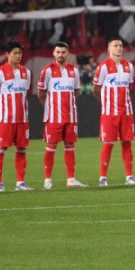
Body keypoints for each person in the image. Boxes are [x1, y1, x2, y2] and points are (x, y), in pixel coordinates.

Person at [37, 41, 86, 190]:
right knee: (51, 146)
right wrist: (51, 107)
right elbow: (41, 94)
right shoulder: (47, 71)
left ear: (68, 53)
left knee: (70, 146)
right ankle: (47, 180)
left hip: (70, 116)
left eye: (63, 52)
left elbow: (76, 91)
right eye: (58, 52)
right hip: (53, 117)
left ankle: (71, 179)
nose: (60, 55)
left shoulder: (74, 70)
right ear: (53, 53)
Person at [92, 37, 135, 186]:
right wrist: (105, 103)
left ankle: (130, 177)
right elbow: (96, 89)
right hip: (109, 112)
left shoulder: (129, 66)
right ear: (109, 49)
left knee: (127, 143)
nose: (119, 48)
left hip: (126, 111)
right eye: (115, 46)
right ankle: (103, 178)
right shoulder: (103, 67)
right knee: (108, 143)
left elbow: (129, 86)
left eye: (120, 45)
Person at [0, 40, 32, 191]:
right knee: (1, 150)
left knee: (21, 150)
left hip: (22, 119)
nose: (18, 56)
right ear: (7, 54)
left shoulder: (26, 73)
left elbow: (25, 94)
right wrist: (0, 111)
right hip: (5, 119)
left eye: (20, 53)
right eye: (15, 53)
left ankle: (20, 183)